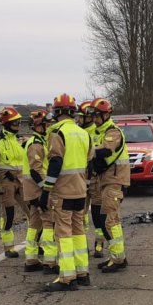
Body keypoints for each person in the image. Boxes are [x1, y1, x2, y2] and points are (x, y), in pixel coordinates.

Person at [39, 93, 92, 291]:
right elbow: (89, 162)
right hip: (80, 191)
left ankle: (67, 277)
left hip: (62, 192)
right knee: (79, 231)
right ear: (73, 112)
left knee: (63, 233)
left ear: (57, 112)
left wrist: (46, 190)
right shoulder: (83, 133)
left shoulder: (56, 133)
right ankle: (82, 272)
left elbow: (55, 162)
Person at [90, 98, 130, 272]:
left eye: (96, 115)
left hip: (114, 181)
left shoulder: (112, 132)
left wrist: (89, 153)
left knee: (110, 220)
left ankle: (118, 259)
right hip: (105, 181)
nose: (94, 119)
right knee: (105, 219)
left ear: (106, 115)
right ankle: (115, 256)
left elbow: (106, 151)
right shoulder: (99, 132)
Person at [21, 108, 56, 273]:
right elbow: (36, 170)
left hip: (33, 191)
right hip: (38, 190)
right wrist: (46, 188)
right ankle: (50, 261)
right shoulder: (35, 143)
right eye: (47, 124)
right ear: (39, 126)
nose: (50, 126)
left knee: (34, 224)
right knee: (49, 223)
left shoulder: (40, 141)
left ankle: (31, 259)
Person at [0, 107, 26, 258]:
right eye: (14, 122)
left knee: (33, 210)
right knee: (9, 213)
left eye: (18, 122)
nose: (17, 124)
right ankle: (8, 247)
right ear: (6, 123)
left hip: (22, 178)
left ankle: (37, 243)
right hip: (6, 179)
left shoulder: (19, 140)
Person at [79, 100, 105, 257]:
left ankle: (99, 243)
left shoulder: (98, 132)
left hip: (95, 178)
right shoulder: (78, 133)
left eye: (81, 117)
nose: (78, 120)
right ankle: (82, 245)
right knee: (79, 214)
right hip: (81, 178)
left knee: (97, 213)